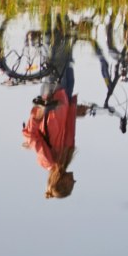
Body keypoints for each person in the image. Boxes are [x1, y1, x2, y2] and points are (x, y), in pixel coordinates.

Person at [21, 46, 80, 199]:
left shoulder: (48, 160)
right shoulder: (64, 159)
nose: (73, 181)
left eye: (70, 184)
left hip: (53, 98)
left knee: (55, 53)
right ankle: (65, 27)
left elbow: (31, 136)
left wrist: (39, 112)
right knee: (66, 54)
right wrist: (76, 109)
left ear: (61, 182)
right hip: (65, 98)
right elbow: (66, 126)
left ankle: (49, 29)